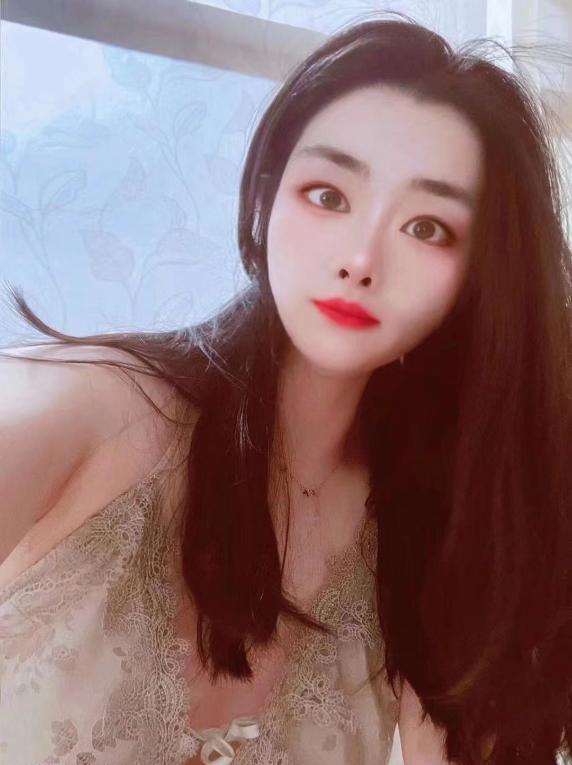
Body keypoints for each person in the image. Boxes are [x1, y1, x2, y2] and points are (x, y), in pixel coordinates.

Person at [0, 11, 570, 765]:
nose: (361, 260)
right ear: (267, 197)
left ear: (477, 278)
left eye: (427, 228)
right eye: (329, 195)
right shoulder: (85, 409)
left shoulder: (422, 534)